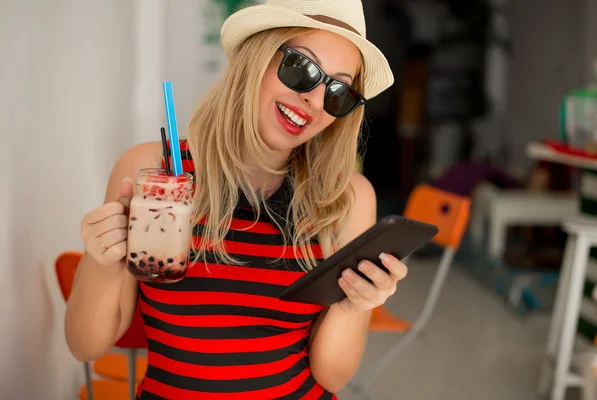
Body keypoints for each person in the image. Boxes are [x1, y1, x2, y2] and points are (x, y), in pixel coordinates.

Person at [65, 1, 409, 398]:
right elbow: (84, 347)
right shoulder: (153, 172)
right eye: (302, 69)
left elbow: (331, 377)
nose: (315, 100)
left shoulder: (346, 199)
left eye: (337, 91)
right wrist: (102, 260)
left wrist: (355, 305)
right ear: (256, 59)